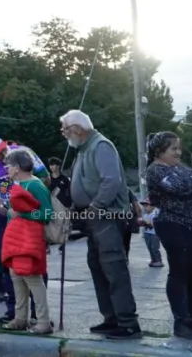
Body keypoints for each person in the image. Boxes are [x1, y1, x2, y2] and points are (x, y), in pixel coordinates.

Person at [62, 109, 141, 340]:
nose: (63, 134)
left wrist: (95, 207)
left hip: (107, 216)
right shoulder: (85, 148)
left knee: (114, 267)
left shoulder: (100, 146)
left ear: (77, 128)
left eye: (65, 129)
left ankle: (127, 323)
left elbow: (112, 180)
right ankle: (111, 318)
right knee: (98, 267)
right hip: (94, 217)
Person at [0, 133, 45, 319]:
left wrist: (29, 200)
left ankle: (38, 314)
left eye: (3, 150)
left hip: (29, 221)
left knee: (33, 262)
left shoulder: (23, 153)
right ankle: (13, 310)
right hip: (3, 219)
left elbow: (44, 178)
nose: (3, 155)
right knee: (8, 262)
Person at [144, 131, 192, 340]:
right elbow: (181, 187)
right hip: (174, 226)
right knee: (180, 273)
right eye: (173, 148)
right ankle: (181, 322)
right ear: (159, 151)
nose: (178, 152)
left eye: (179, 148)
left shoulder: (178, 169)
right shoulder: (155, 170)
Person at [0, 149, 52, 334]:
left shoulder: (35, 185)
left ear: (16, 167)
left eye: (8, 166)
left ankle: (43, 321)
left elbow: (47, 214)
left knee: (32, 279)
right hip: (17, 238)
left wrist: (21, 214)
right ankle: (20, 318)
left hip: (28, 239)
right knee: (17, 278)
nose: (6, 169)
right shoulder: (21, 184)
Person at [138, 198, 163, 268]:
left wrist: (146, 222)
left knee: (154, 248)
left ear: (153, 206)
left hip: (154, 234)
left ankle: (158, 260)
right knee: (149, 247)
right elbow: (144, 224)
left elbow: (153, 225)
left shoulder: (155, 213)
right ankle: (153, 260)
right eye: (144, 206)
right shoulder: (145, 215)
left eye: (147, 205)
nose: (145, 207)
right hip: (147, 233)